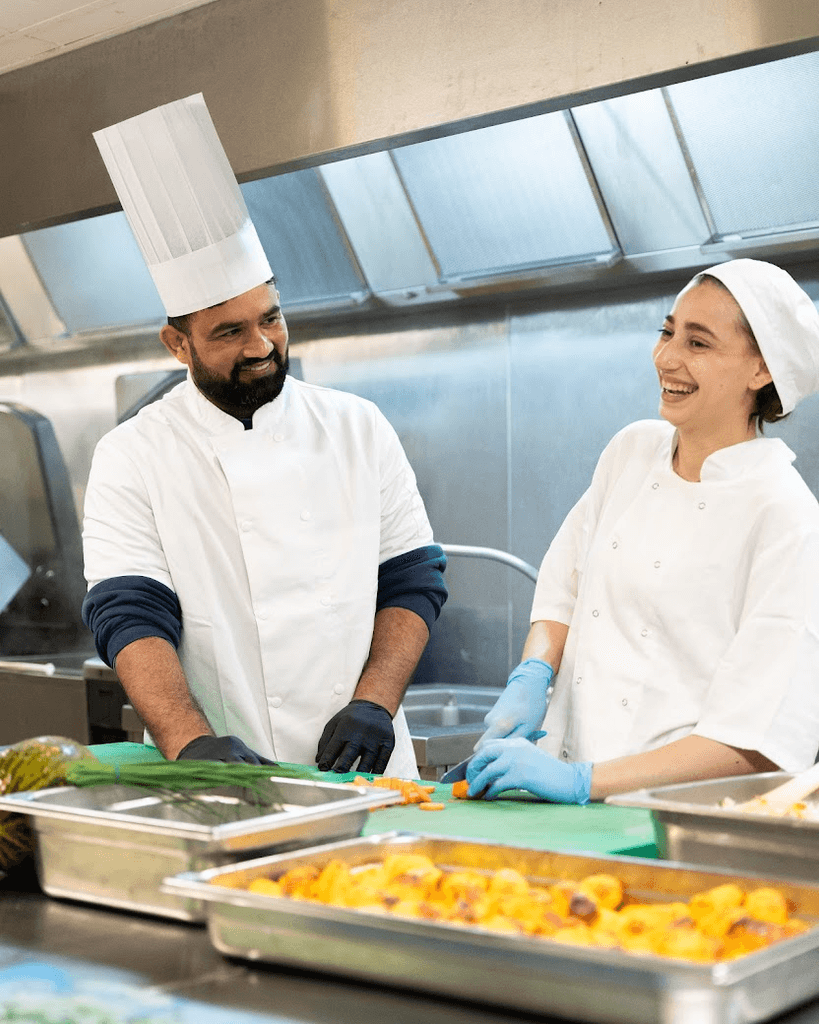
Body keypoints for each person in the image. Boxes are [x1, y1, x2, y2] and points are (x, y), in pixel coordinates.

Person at [81, 95, 446, 776]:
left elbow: (411, 579)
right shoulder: (133, 454)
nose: (261, 346)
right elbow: (129, 613)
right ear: (176, 344)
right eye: (228, 331)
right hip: (226, 767)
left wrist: (375, 702)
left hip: (366, 767)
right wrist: (189, 742)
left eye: (271, 319)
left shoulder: (356, 427)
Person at [468, 258, 819, 803]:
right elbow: (566, 580)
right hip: (564, 789)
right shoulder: (632, 451)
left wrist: (585, 783)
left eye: (698, 344)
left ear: (762, 370)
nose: (667, 358)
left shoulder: (786, 517)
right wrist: (532, 673)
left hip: (673, 816)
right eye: (667, 331)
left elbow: (758, 739)